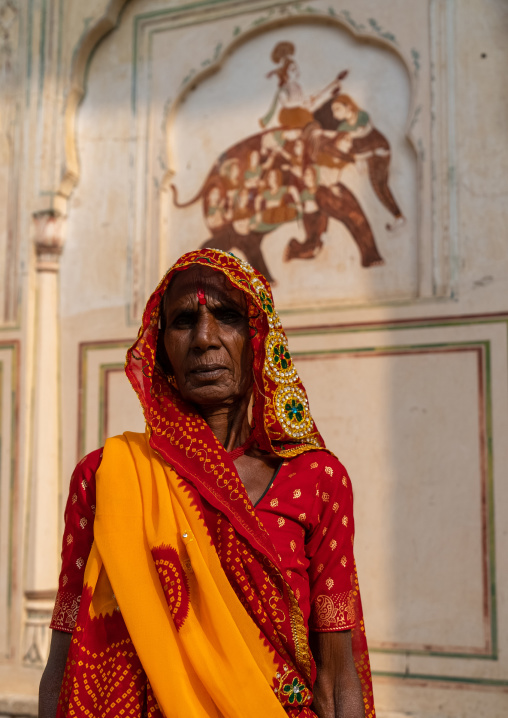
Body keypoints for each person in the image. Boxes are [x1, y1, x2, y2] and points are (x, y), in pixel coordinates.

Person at [39, 248, 375, 718]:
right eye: (182, 321)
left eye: (227, 316)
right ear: (161, 349)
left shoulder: (317, 480)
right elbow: (66, 651)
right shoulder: (108, 476)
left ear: (260, 338)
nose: (204, 338)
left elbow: (337, 680)